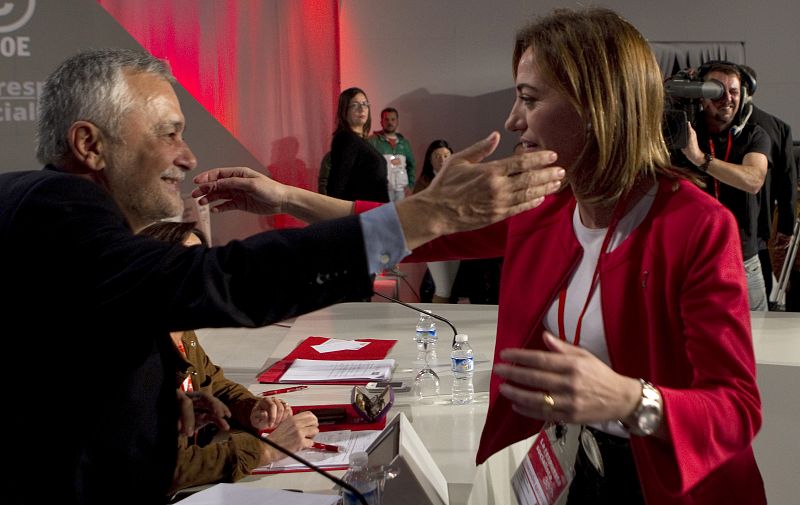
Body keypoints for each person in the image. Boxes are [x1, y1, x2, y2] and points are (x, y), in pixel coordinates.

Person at [234, 8, 765, 504]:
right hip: (579, 466)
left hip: (668, 483)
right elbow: (406, 226)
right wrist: (286, 198)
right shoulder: (542, 205)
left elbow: (737, 408)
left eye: (530, 99)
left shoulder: (696, 226)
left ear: (597, 104)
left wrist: (632, 400)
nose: (513, 120)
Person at [0, 48, 565, 505]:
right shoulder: (59, 211)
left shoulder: (49, 207)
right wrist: (426, 215)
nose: (189, 156)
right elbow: (221, 283)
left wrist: (167, 401)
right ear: (89, 145)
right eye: (168, 133)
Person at [138, 221, 319, 496]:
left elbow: (216, 385)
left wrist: (252, 409)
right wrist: (266, 450)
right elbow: (168, 469)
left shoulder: (182, 329)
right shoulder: (139, 355)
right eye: (188, 265)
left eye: (203, 263)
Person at [680, 61, 770, 311]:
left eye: (734, 91)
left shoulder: (754, 134)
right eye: (716, 90)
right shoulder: (682, 133)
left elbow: (753, 180)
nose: (727, 98)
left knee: (758, 339)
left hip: (744, 260)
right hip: (693, 259)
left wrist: (700, 159)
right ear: (701, 94)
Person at [738, 64, 798, 304]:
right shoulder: (778, 127)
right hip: (759, 231)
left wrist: (785, 227)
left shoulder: (776, 128)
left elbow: (786, 182)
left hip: (755, 230)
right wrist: (785, 227)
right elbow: (787, 185)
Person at [412, 140, 460, 303]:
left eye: (446, 156)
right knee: (443, 288)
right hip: (434, 238)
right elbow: (418, 209)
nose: (442, 159)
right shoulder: (424, 182)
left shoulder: (459, 178)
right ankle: (436, 324)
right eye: (437, 156)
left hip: (455, 238)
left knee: (450, 287)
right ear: (430, 160)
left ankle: (447, 321)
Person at [326, 87, 389, 202]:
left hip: (373, 212)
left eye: (365, 104)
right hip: (360, 214)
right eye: (355, 105)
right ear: (344, 110)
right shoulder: (346, 139)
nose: (362, 109)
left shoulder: (361, 141)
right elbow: (337, 184)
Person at [369, 107, 417, 201]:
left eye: (393, 119)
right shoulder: (372, 141)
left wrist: (411, 185)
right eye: (386, 119)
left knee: (399, 215)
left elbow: (412, 165)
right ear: (381, 122)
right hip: (381, 191)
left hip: (401, 192)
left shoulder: (404, 143)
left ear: (397, 121)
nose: (390, 122)